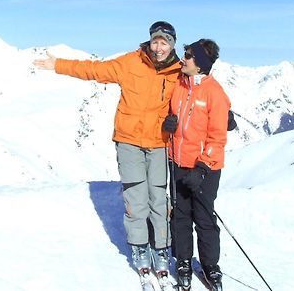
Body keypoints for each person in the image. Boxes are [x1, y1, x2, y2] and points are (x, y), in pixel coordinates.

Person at [33, 21, 181, 277]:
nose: (159, 47)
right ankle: (139, 247)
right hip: (129, 140)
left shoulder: (179, 72)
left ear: (172, 45)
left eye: (164, 42)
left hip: (159, 142)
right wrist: (58, 65)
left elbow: (195, 100)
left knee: (158, 198)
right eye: (156, 41)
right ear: (150, 41)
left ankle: (161, 248)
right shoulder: (130, 62)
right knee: (135, 196)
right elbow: (94, 70)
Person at [162, 38, 231, 291]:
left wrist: (202, 168)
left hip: (205, 168)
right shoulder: (180, 85)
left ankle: (210, 266)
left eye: (189, 55)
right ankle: (182, 260)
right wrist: (167, 124)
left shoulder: (214, 93)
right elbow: (171, 115)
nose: (184, 58)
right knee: (180, 215)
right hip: (178, 162)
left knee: (203, 217)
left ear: (200, 64)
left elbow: (218, 137)